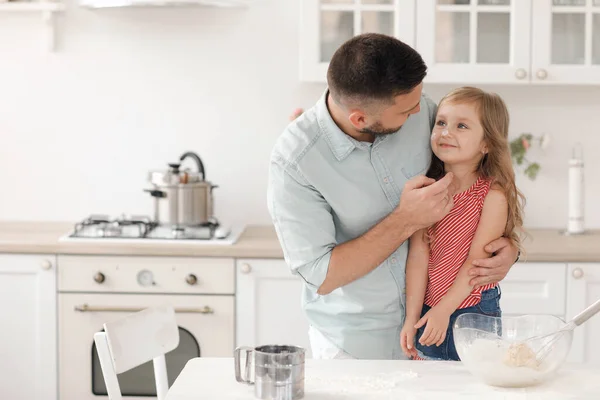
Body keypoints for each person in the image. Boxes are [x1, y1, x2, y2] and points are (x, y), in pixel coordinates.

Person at [267, 33, 519, 360]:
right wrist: (405, 220)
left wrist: (507, 248)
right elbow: (323, 276)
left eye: (421, 101)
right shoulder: (295, 162)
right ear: (360, 118)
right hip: (355, 345)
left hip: (437, 327)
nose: (422, 113)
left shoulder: (419, 111)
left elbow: (480, 187)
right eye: (408, 110)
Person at [400, 87, 525, 361]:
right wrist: (412, 317)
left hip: (473, 311)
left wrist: (444, 310)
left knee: (473, 385)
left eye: (462, 126)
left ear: (486, 144)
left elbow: (476, 262)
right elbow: (418, 257)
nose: (446, 132)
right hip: (429, 311)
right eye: (441, 123)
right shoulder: (427, 192)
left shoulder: (492, 195)